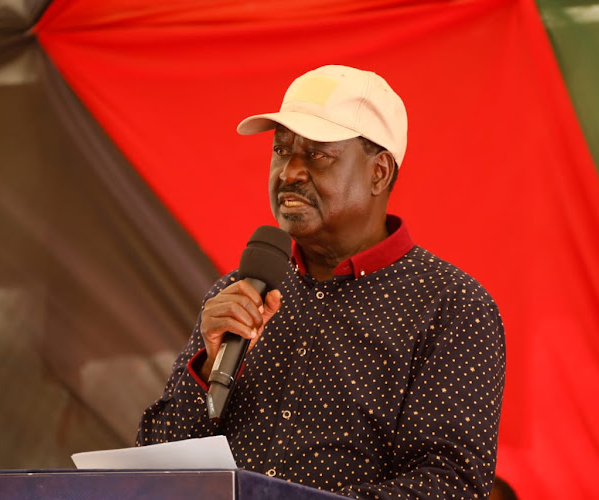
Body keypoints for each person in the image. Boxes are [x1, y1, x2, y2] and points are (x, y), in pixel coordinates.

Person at [137, 65, 506, 499]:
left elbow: (450, 484)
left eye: (317, 154)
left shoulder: (452, 304)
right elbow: (154, 462)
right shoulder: (239, 292)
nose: (289, 172)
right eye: (281, 151)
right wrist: (204, 371)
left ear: (380, 172)